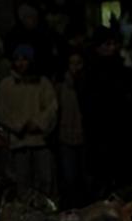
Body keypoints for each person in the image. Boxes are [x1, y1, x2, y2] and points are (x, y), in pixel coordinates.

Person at [81, 27, 132, 195]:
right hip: (102, 140)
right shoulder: (90, 74)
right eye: (106, 44)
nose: (112, 48)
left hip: (125, 139)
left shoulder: (127, 74)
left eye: (114, 44)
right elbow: (90, 109)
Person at [0, 44, 58, 197]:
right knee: (22, 183)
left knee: (45, 182)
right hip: (18, 143)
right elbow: (2, 110)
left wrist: (38, 123)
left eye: (24, 59)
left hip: (40, 142)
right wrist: (19, 125)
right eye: (17, 59)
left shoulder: (42, 83)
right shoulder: (6, 85)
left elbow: (51, 107)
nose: (21, 63)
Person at [56, 50, 86, 208]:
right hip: (66, 136)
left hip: (84, 136)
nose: (75, 67)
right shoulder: (61, 87)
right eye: (72, 63)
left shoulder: (87, 84)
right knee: (70, 177)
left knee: (83, 176)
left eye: (78, 63)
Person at [5, 3, 59, 77]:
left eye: (35, 17)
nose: (34, 20)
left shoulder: (43, 34)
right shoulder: (14, 35)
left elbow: (48, 56)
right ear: (23, 19)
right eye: (30, 17)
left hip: (41, 74)